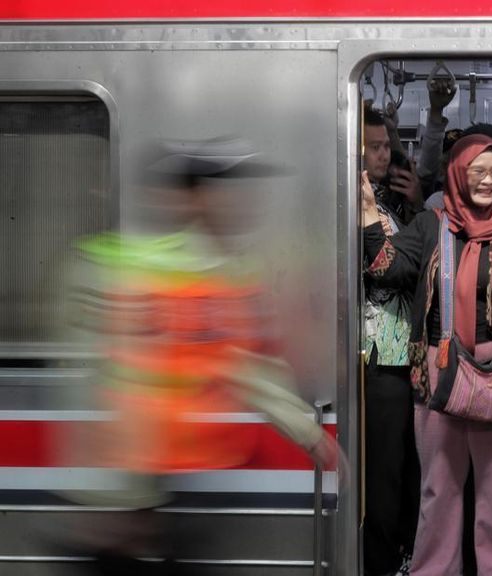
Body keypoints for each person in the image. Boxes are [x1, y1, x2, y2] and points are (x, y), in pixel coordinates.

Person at [61, 138, 344, 575]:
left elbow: (238, 362)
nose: (242, 207)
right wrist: (117, 498)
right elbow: (100, 371)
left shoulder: (212, 268)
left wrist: (308, 433)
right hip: (130, 488)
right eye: (228, 193)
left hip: (165, 485)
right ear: (197, 198)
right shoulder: (145, 267)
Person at [362, 134, 492, 576]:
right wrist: (369, 211)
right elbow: (386, 266)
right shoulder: (431, 224)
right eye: (476, 171)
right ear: (458, 174)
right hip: (437, 366)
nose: (487, 181)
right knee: (438, 488)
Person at [362, 108, 422, 575]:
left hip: (405, 350)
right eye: (374, 146)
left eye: (387, 146)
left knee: (405, 465)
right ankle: (383, 561)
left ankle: (403, 551)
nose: (384, 155)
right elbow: (386, 267)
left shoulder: (389, 201)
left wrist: (415, 204)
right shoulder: (361, 204)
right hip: (378, 351)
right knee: (384, 471)